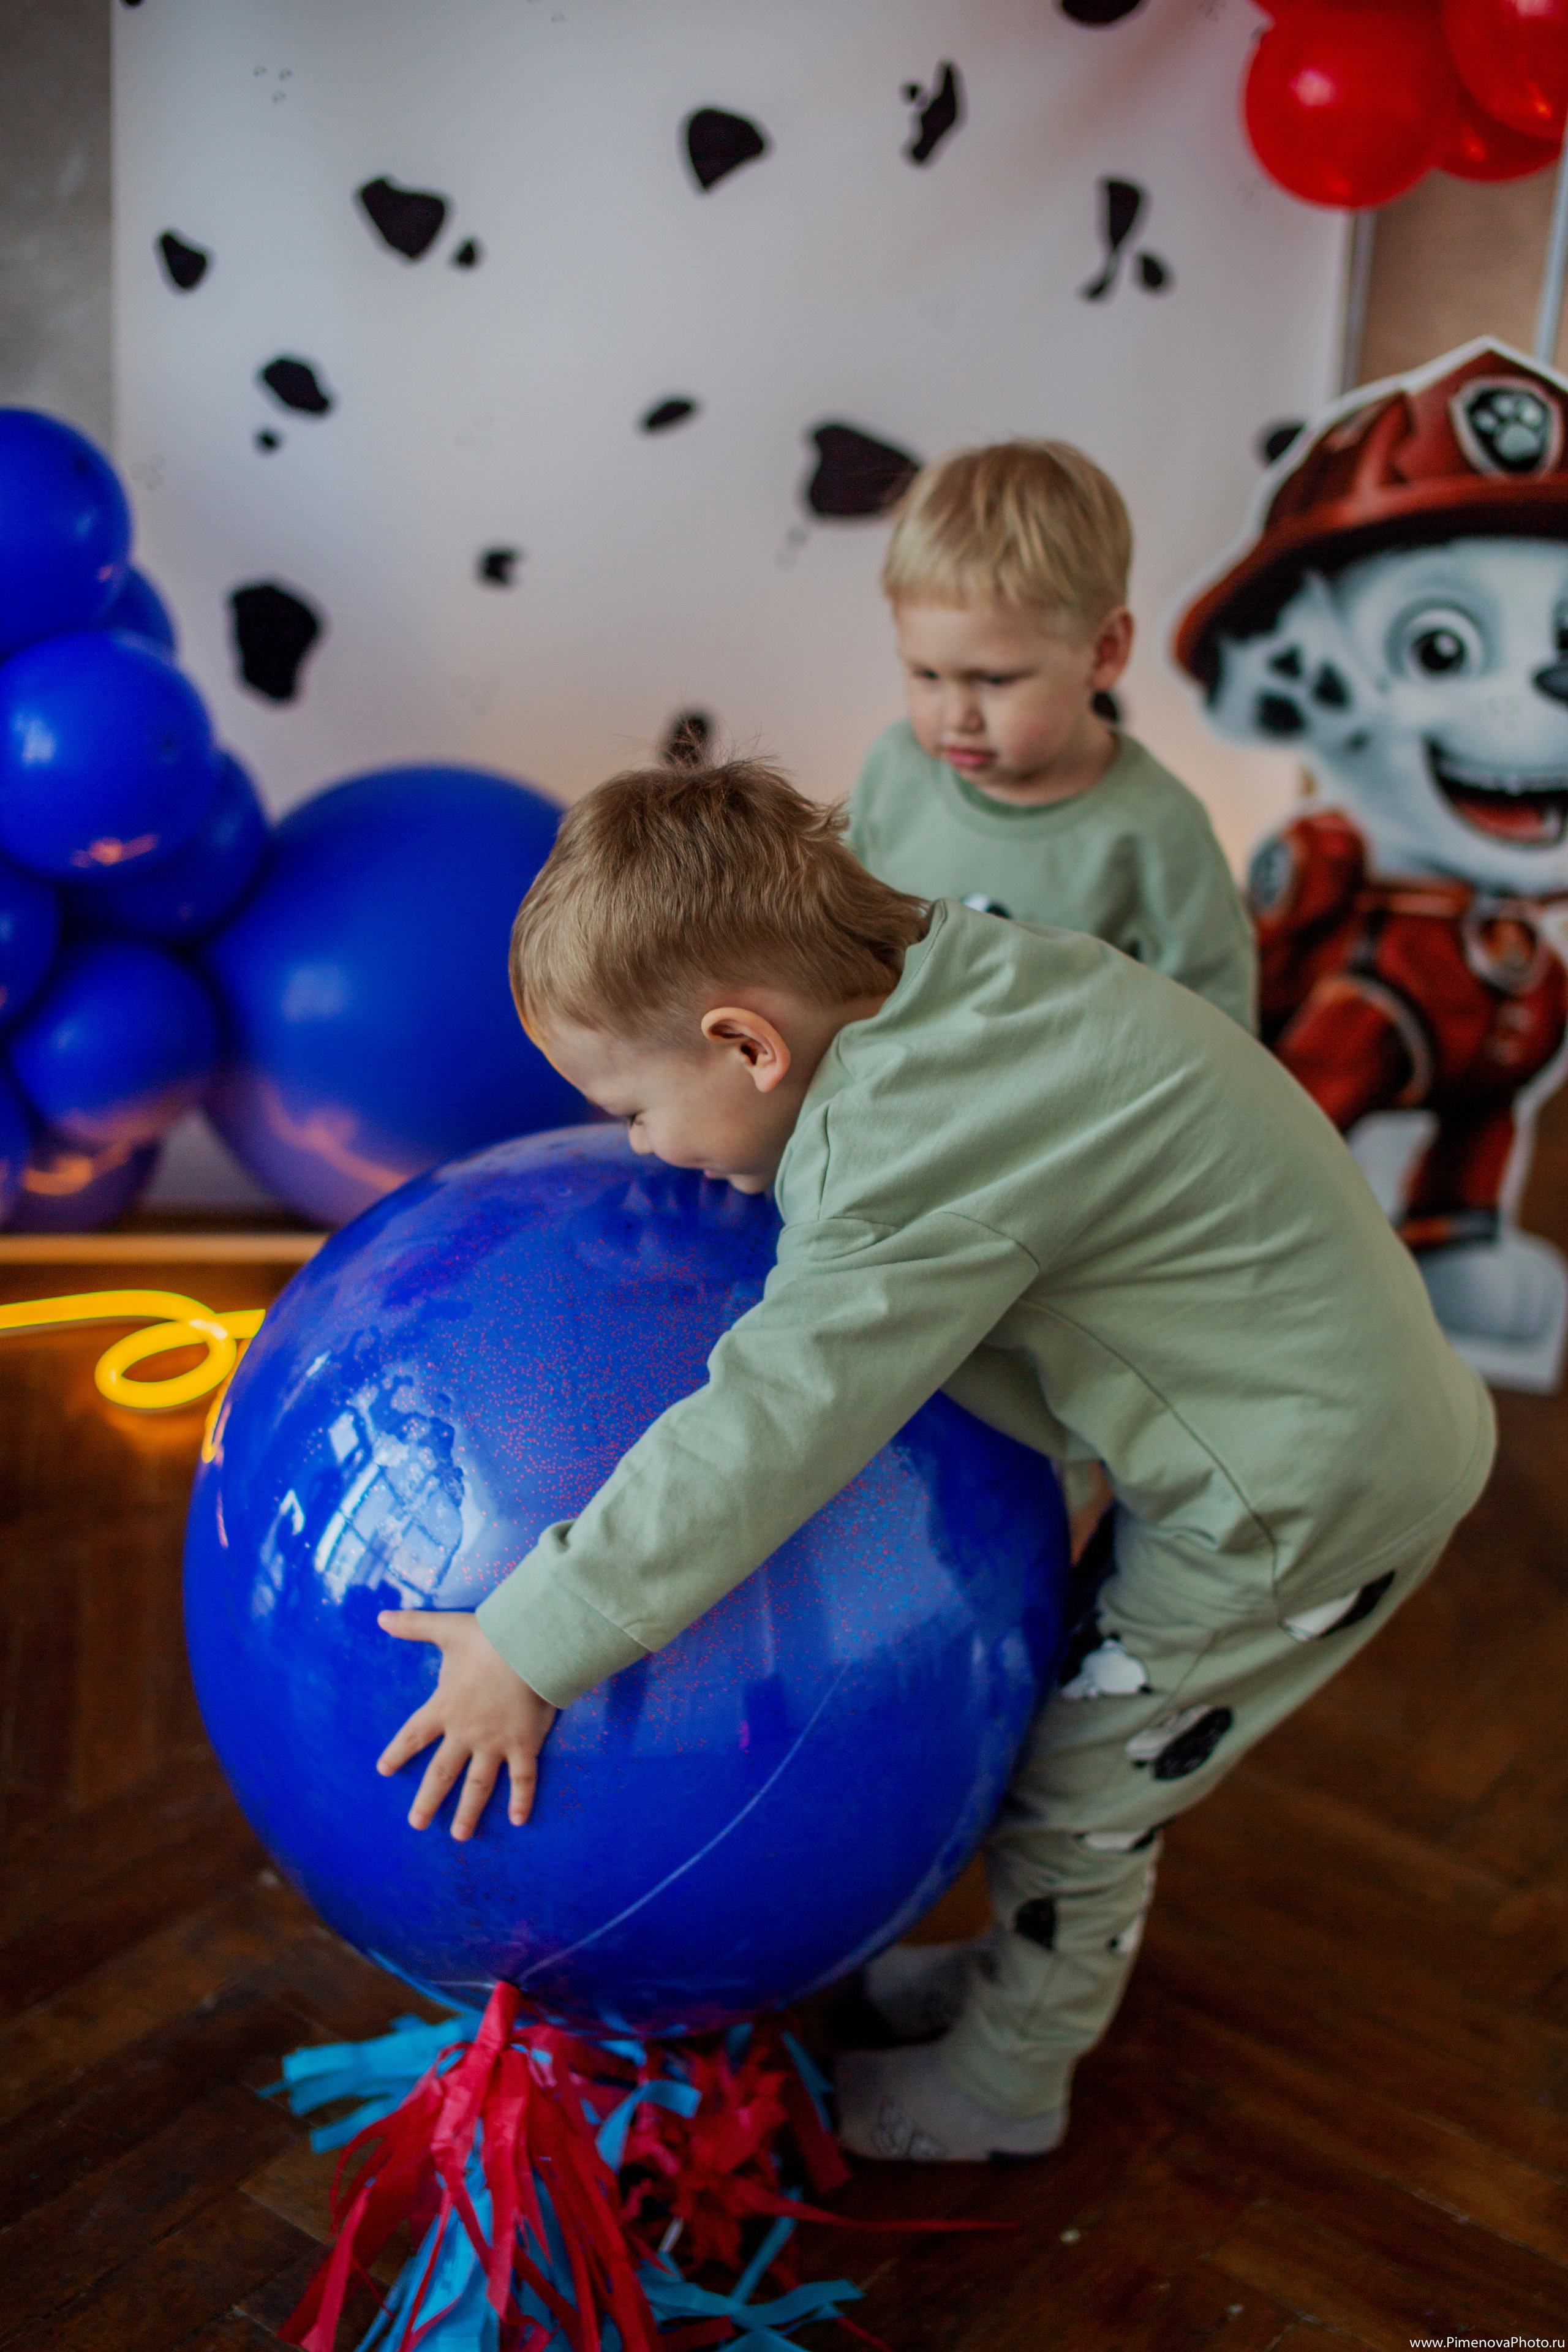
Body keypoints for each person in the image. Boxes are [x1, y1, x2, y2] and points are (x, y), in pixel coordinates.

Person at [374, 759, 1493, 2165]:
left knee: (1086, 1779)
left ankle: (1010, 2079)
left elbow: (766, 1430)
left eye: (634, 1107)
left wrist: (530, 1640)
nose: (641, 1148)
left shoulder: (908, 1155)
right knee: (1077, 1739)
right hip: (1302, 1419)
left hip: (1298, 1496)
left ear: (745, 1043)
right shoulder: (945, 964)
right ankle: (1015, 1967)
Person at [848, 439, 1256, 1030]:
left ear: (1104, 652)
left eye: (993, 680)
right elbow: (841, 939)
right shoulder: (895, 769)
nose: (956, 716)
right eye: (926, 675)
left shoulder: (1159, 831)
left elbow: (1219, 1035)